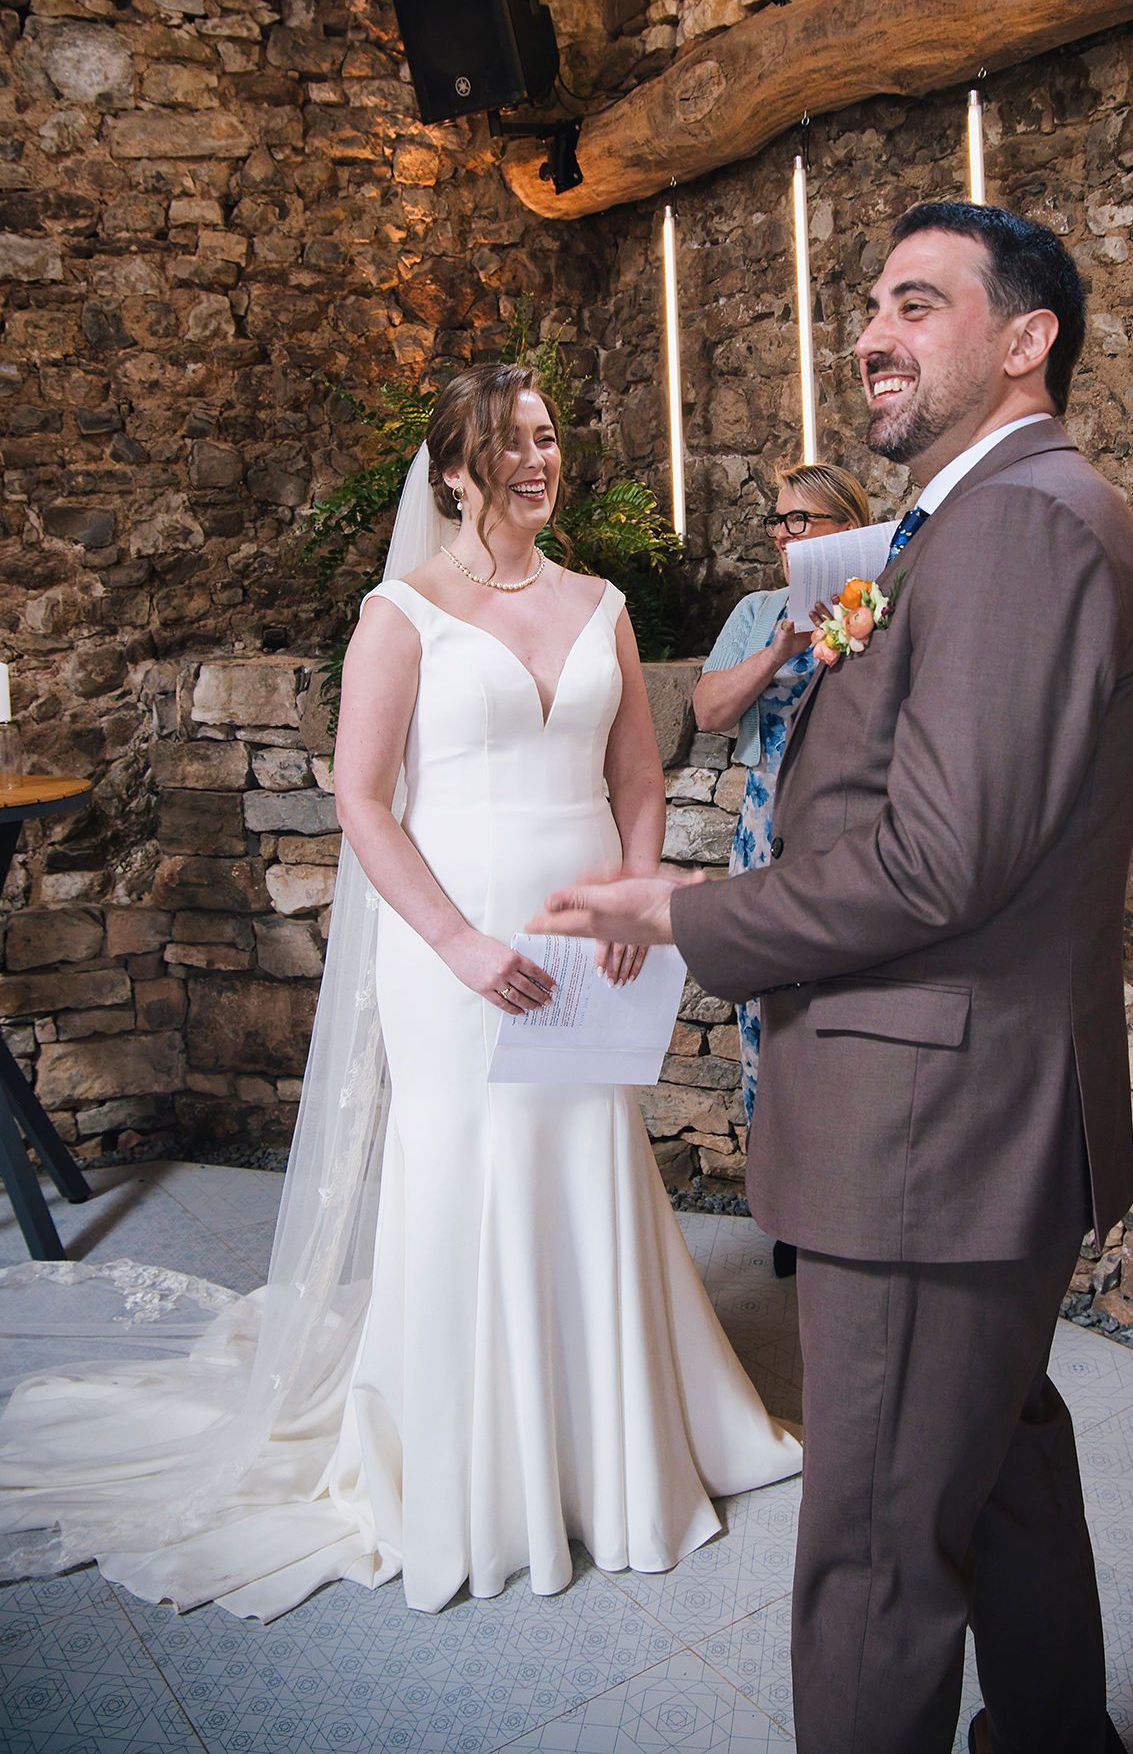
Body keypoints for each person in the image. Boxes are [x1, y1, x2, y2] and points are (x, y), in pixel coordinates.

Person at [0, 362, 799, 1619]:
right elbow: (362, 800)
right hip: (458, 951)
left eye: (547, 436)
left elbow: (639, 771)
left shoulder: (602, 602)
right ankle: (472, 1473)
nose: (536, 458)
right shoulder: (402, 612)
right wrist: (460, 946)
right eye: (509, 442)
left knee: (585, 1156)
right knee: (470, 1168)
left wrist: (643, 889)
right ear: (454, 470)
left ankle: (609, 1452)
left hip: (592, 944)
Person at [531, 203, 1133, 1754]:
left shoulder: (1022, 522)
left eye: (916, 303)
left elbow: (937, 861)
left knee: (877, 1548)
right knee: (994, 1462)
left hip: (926, 1122)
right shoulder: (974, 522)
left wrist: (695, 907)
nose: (871, 335)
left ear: (1027, 341)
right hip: (969, 1108)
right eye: (869, 304)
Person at [694, 463, 871, 1278]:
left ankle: (853, 1202)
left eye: (801, 521)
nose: (782, 535)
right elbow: (708, 712)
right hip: (767, 828)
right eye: (779, 520)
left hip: (858, 835)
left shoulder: (881, 606)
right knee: (769, 1021)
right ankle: (788, 1211)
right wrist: (782, 647)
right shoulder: (756, 613)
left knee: (848, 1016)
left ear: (846, 527)